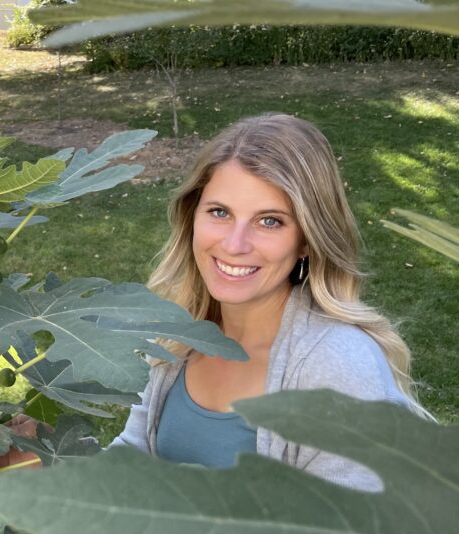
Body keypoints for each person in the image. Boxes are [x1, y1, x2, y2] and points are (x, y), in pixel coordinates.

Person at [109, 112, 428, 492]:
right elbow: (134, 457)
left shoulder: (338, 365)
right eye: (220, 212)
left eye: (270, 221)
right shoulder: (180, 335)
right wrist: (43, 469)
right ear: (192, 216)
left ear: (308, 240)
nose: (234, 244)